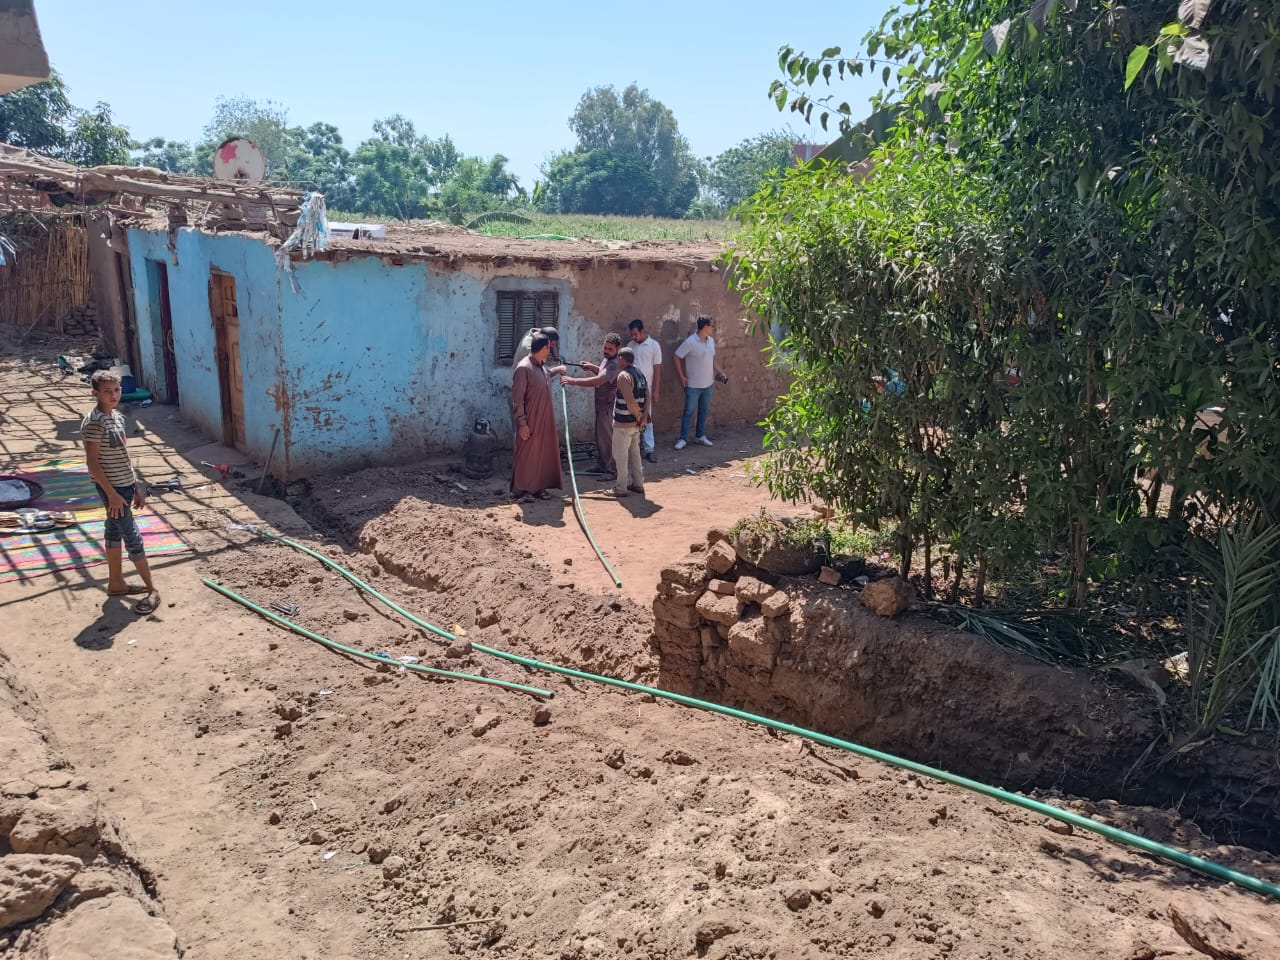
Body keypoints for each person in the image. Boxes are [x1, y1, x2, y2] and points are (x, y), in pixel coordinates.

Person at [81, 369, 160, 614]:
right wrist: (112, 494)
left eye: (116, 390)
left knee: (113, 531)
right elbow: (92, 463)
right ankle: (152, 590)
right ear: (95, 393)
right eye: (107, 391)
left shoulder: (116, 417)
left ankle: (116, 584)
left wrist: (136, 486)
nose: (113, 395)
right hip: (112, 489)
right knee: (132, 536)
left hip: (125, 486)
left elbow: (124, 456)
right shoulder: (94, 422)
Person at [510, 333, 565, 502]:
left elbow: (545, 374)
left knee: (541, 454)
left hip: (544, 419)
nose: (550, 351)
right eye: (549, 347)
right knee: (527, 455)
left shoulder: (540, 365)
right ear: (543, 348)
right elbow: (518, 400)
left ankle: (538, 487)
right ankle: (522, 489)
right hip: (530, 419)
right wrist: (522, 423)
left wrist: (558, 370)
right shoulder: (523, 368)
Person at [560, 332, 622, 480]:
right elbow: (602, 372)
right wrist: (591, 367)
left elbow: (599, 380)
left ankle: (612, 471)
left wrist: (573, 381)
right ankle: (601, 465)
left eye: (610, 349)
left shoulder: (614, 364)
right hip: (601, 407)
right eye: (605, 348)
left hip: (607, 409)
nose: (606, 351)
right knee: (601, 440)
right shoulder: (608, 360)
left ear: (618, 349)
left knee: (607, 441)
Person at [672, 316, 727, 450]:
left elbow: (712, 359)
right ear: (705, 327)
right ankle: (683, 439)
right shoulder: (690, 342)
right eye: (711, 325)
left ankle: (700, 436)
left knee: (704, 411)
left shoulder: (711, 341)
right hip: (693, 385)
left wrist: (721, 372)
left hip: (708, 384)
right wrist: (682, 377)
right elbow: (676, 356)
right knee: (689, 412)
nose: (713, 328)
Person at [605, 346, 649, 498]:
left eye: (618, 358)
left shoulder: (623, 376)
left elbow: (630, 402)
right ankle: (638, 483)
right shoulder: (640, 373)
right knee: (635, 454)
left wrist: (638, 416)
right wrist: (643, 418)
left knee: (620, 456)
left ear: (621, 359)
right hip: (636, 425)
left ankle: (621, 487)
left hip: (624, 423)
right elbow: (647, 396)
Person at [627, 319, 662, 462]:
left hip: (646, 390)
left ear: (642, 331)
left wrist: (656, 390)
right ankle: (632, 449)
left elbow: (657, 369)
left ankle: (649, 449)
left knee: (646, 418)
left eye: (635, 334)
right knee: (631, 418)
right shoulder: (630, 346)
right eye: (632, 334)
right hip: (631, 390)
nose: (633, 337)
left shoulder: (654, 346)